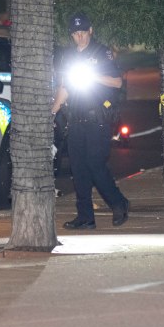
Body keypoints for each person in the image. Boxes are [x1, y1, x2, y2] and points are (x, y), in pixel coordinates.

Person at [51, 13, 130, 229]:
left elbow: (116, 82)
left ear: (90, 31)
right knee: (79, 169)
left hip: (98, 119)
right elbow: (65, 87)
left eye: (83, 33)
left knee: (95, 164)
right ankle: (85, 217)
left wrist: (92, 75)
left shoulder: (102, 53)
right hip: (75, 119)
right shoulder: (70, 57)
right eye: (75, 34)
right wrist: (53, 110)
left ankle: (118, 202)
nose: (80, 37)